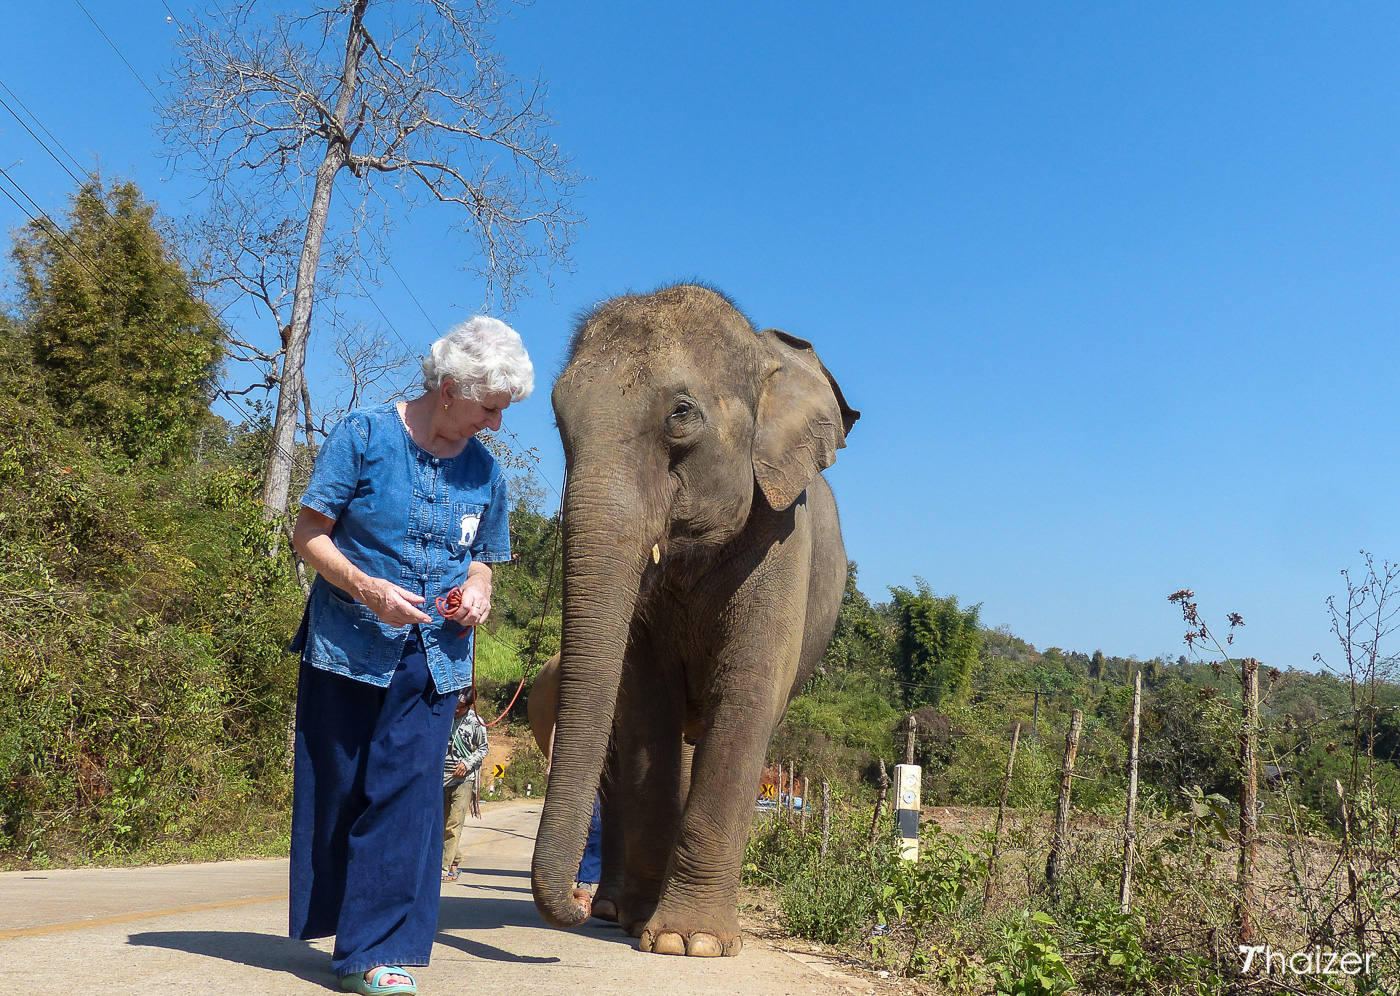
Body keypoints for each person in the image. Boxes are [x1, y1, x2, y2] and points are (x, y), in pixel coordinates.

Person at [287, 316, 532, 996]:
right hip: (346, 648)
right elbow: (309, 534)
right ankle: (347, 932)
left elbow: (483, 560)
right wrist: (367, 589)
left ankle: (377, 952)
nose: (496, 424)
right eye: (489, 408)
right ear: (449, 388)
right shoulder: (364, 436)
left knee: (407, 799)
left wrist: (478, 591)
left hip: (434, 659)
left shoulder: (486, 472)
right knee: (340, 792)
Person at [441, 691, 489, 882]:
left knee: (453, 825)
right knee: (440, 825)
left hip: (463, 780)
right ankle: (455, 859)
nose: (456, 710)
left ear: (469, 706)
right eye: (455, 705)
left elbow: (484, 748)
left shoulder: (476, 721)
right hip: (440, 778)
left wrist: (467, 764)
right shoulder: (443, 715)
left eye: (461, 707)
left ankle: (444, 868)